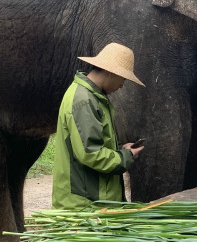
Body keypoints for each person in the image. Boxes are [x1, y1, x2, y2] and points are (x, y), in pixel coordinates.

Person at [52, 42, 145, 210]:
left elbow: (91, 142)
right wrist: (126, 157)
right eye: (123, 78)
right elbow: (91, 154)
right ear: (111, 72)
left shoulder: (93, 97)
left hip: (94, 201)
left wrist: (120, 149)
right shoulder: (84, 100)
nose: (122, 85)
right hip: (85, 205)